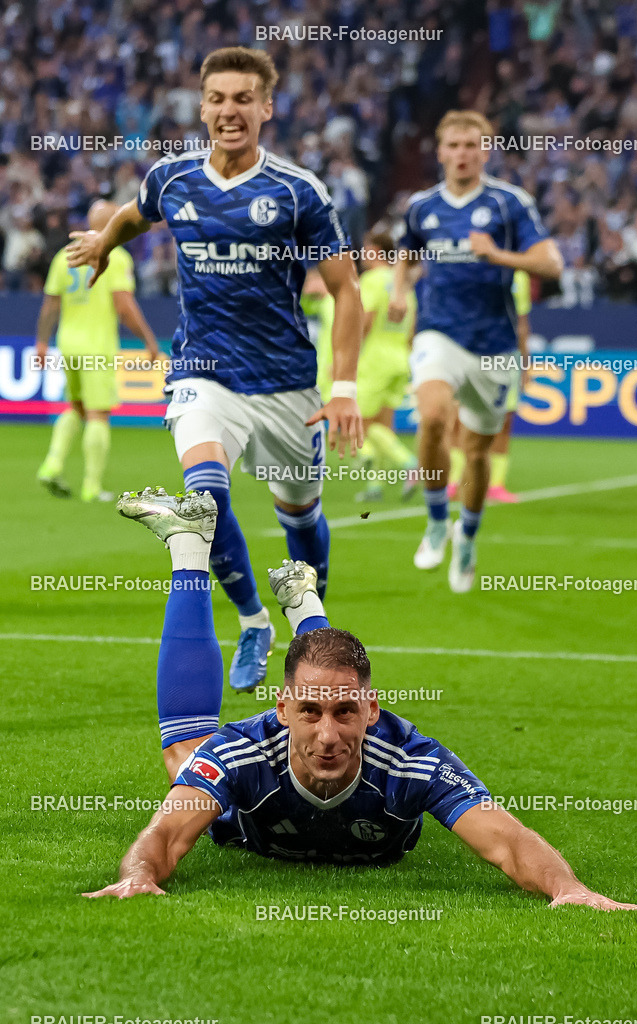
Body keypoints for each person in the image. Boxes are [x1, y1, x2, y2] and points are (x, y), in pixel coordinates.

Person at [84, 488, 637, 911]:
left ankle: (306, 610)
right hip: (250, 808)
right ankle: (190, 548)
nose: (327, 735)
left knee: (327, 673)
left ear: (373, 710)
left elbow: (507, 841)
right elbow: (163, 834)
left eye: (345, 712)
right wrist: (138, 874)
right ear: (282, 711)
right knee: (180, 761)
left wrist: (570, 888)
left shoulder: (413, 760)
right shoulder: (243, 752)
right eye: (308, 712)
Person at [65, 47, 364, 693]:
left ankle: (310, 627)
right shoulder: (172, 178)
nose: (229, 111)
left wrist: (343, 389)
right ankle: (253, 619)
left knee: (301, 517)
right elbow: (133, 215)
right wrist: (103, 244)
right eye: (218, 99)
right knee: (204, 494)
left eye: (242, 99)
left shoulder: (297, 191)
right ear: (202, 107)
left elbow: (347, 291)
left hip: (286, 383)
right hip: (203, 370)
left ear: (266, 107)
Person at [389, 110, 562, 593]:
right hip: (438, 332)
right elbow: (407, 249)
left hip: (494, 344)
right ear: (441, 151)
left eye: (473, 145)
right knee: (432, 418)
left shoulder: (510, 204)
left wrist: (499, 255)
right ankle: (436, 519)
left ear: (486, 151)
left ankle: (467, 535)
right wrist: (401, 291)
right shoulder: (422, 206)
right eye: (454, 145)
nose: (463, 154)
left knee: (479, 451)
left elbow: (551, 263)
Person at [35, 200, 159, 502]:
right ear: (114, 221)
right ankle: (92, 487)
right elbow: (124, 306)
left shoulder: (65, 255)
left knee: (75, 406)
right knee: (98, 414)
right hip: (97, 346)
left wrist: (41, 342)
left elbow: (50, 304)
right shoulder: (115, 256)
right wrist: (149, 340)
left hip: (68, 343)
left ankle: (52, 465)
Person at [307, 231, 418, 503]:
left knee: (361, 425)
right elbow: (412, 325)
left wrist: (345, 361)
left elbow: (362, 321)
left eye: (367, 249)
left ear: (377, 251)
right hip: (399, 358)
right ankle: (375, 486)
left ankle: (409, 463)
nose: (362, 254)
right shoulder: (402, 284)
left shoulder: (371, 281)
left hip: (373, 361)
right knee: (382, 424)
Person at [447, 268, 531, 504]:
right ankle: (454, 481)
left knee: (504, 421)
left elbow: (522, 323)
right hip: (471, 351)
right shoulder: (468, 268)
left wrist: (526, 364)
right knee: (458, 418)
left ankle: (496, 484)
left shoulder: (519, 277)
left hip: (506, 355)